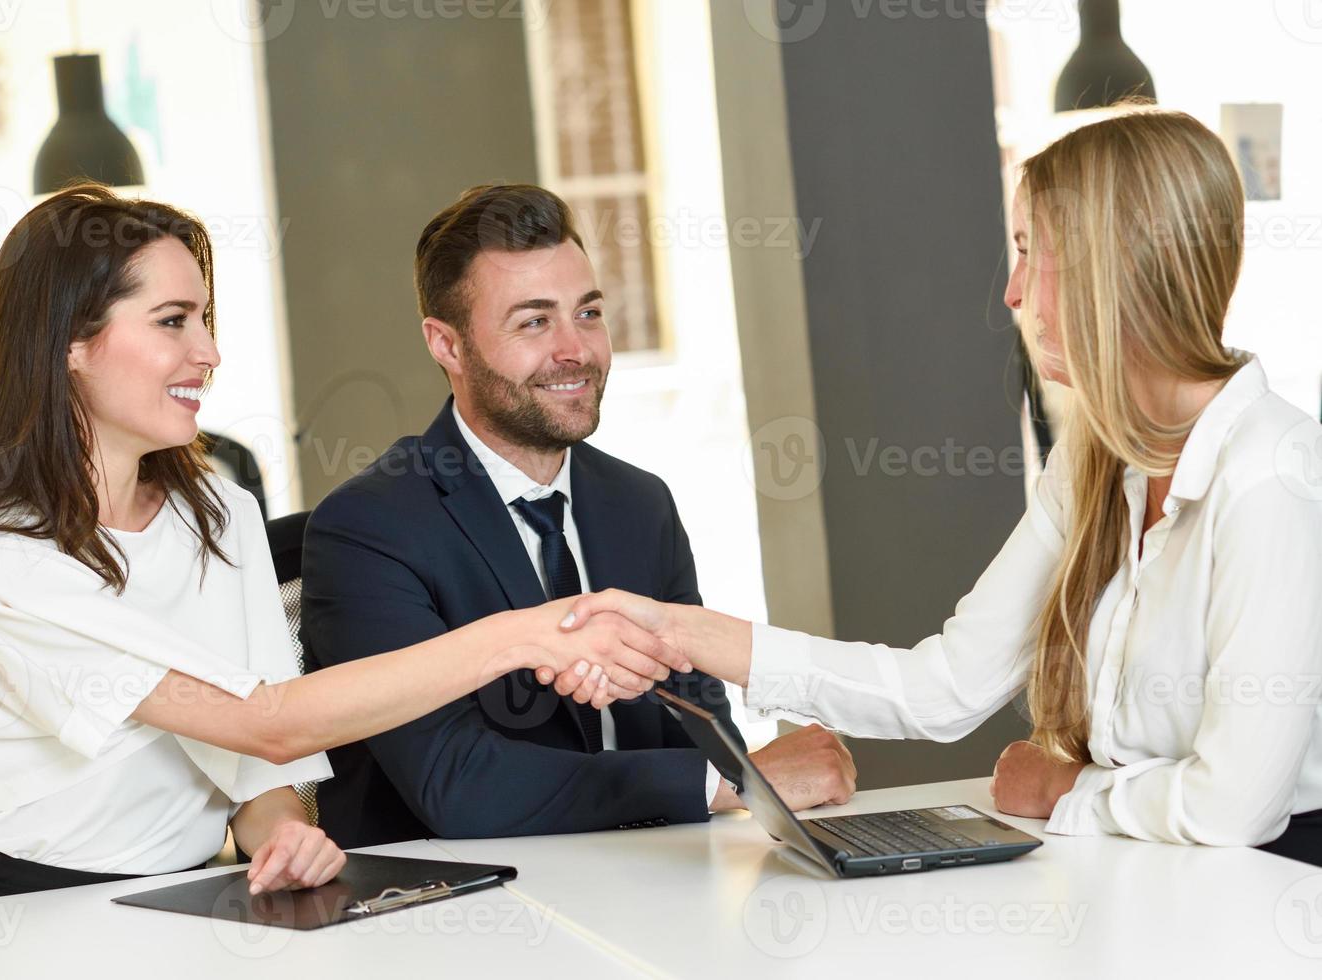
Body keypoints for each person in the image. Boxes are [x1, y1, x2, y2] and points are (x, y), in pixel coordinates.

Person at [551, 109, 1322, 866]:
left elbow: (1233, 808)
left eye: (1030, 251)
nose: (1013, 293)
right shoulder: (1094, 455)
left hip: (1274, 890)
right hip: (1153, 879)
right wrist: (682, 633)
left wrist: (1065, 789)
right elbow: (943, 687)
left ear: (1116, 264)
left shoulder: (1270, 474)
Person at [0, 184, 673, 904]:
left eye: (203, 319)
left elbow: (254, 767)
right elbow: (268, 720)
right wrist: (521, 635)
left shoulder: (216, 511)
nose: (209, 351)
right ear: (70, 341)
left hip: (188, 899)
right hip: (37, 913)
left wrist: (284, 834)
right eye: (172, 321)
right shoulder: (1, 566)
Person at [301, 183, 856, 847]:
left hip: (660, 873)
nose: (576, 350)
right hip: (464, 916)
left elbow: (702, 727)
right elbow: (458, 786)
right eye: (534, 322)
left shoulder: (638, 504)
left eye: (587, 313)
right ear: (445, 345)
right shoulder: (369, 528)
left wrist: (732, 779)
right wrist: (732, 785)